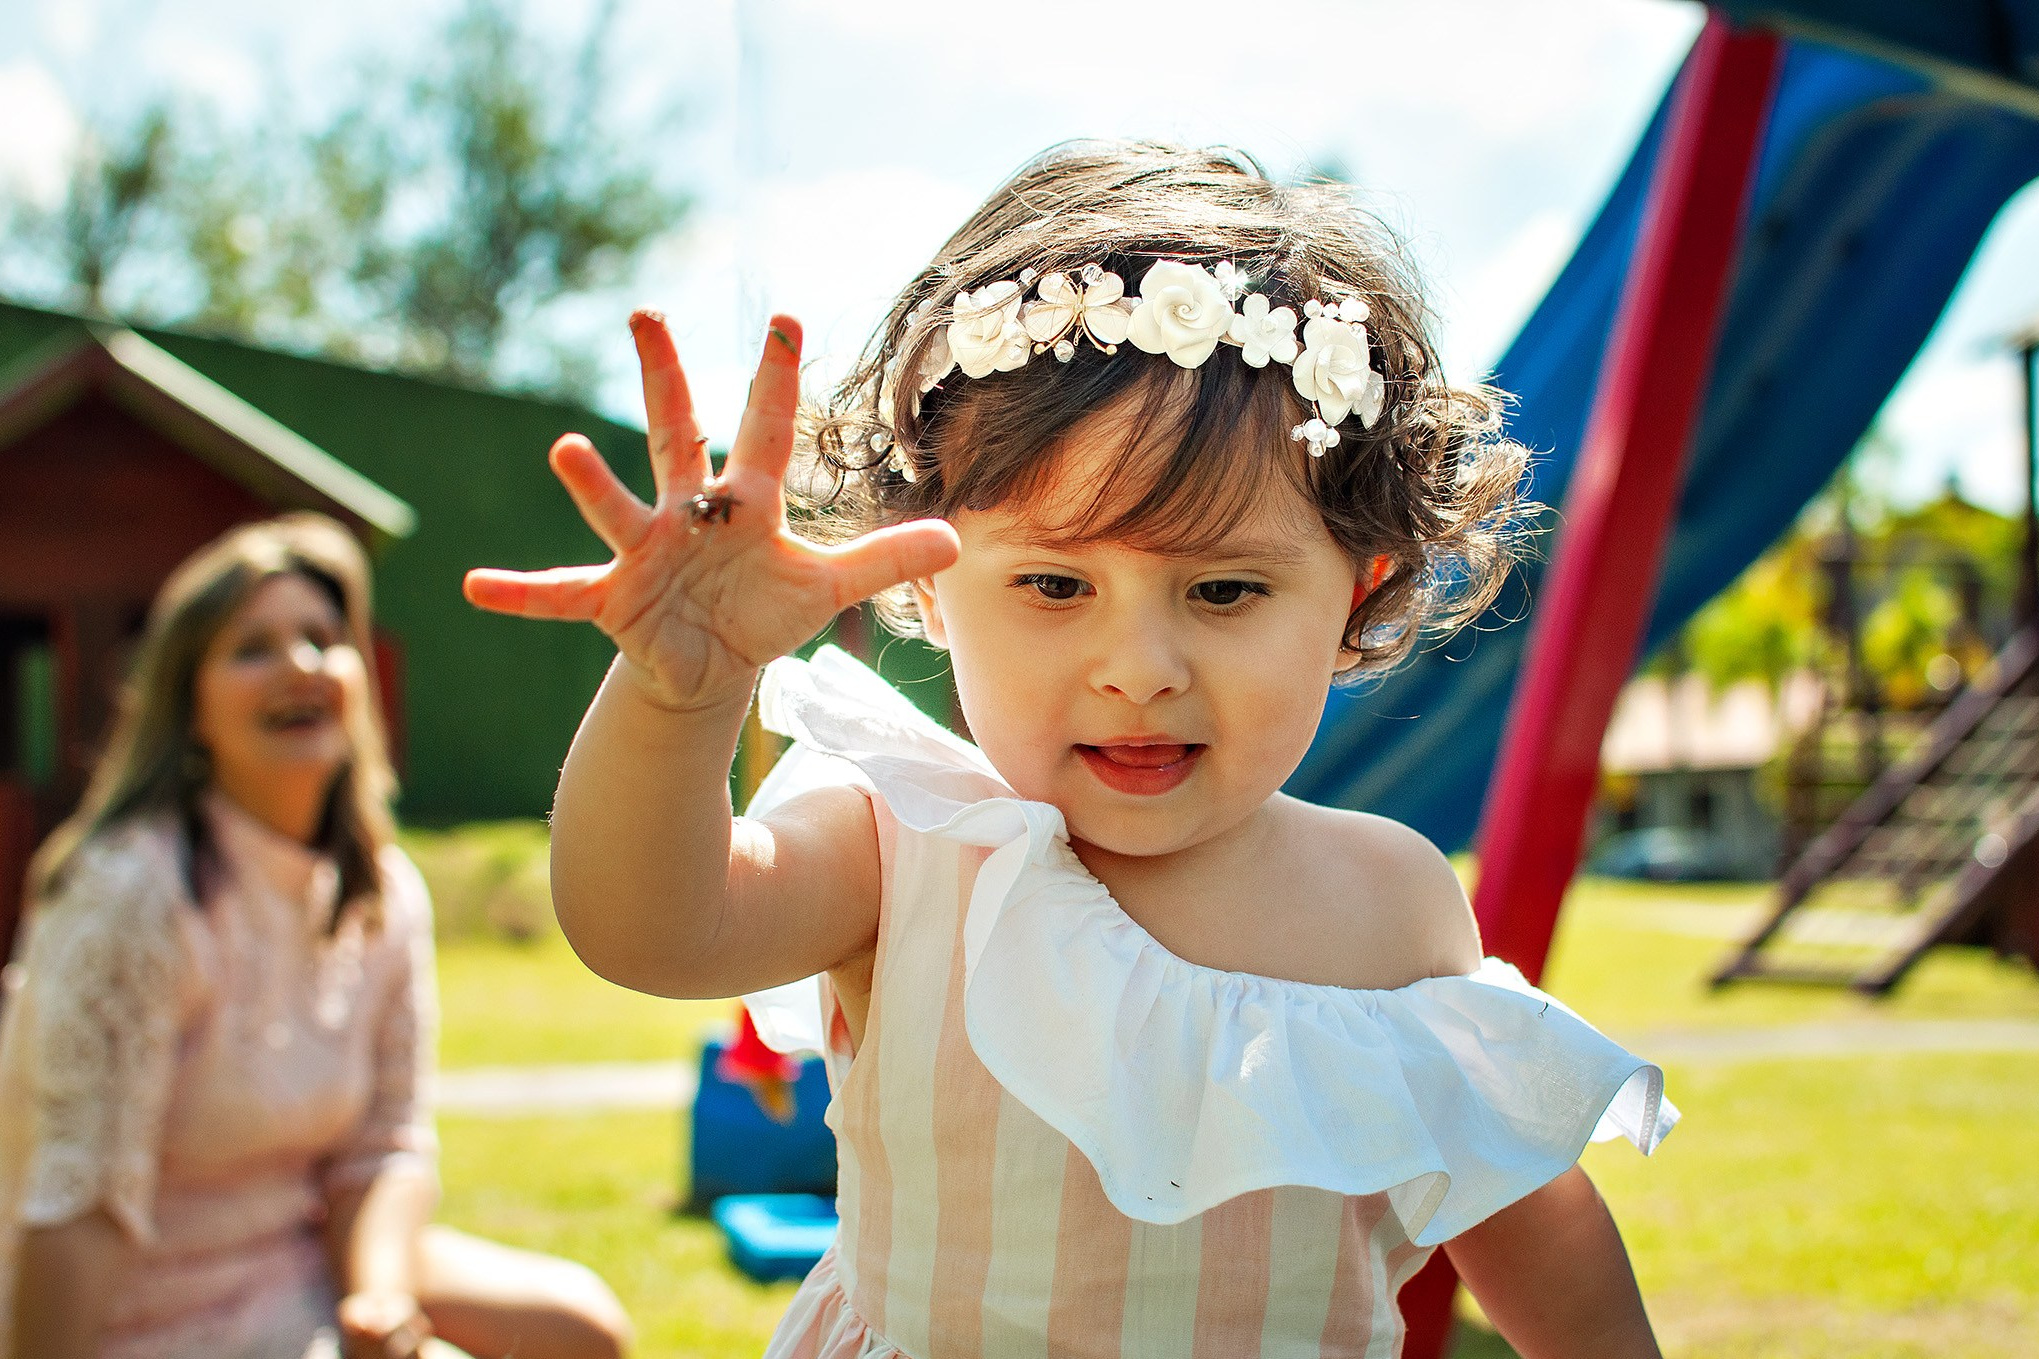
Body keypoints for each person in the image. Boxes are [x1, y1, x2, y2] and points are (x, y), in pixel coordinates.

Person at [467, 141, 1679, 1358]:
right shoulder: (902, 841)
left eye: (1222, 591)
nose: (1137, 668)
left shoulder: (1385, 902)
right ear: (928, 586)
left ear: (1355, 595)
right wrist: (680, 696)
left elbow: (1522, 1207)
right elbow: (648, 929)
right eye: (1054, 584)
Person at [0, 515, 632, 1359]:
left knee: (585, 1328)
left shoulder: (383, 894)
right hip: (138, 1307)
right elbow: (77, 1204)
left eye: (323, 639)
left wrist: (376, 1298)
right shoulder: (131, 893)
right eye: (251, 647)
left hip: (298, 1261)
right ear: (189, 707)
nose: (300, 664)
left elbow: (384, 1149)